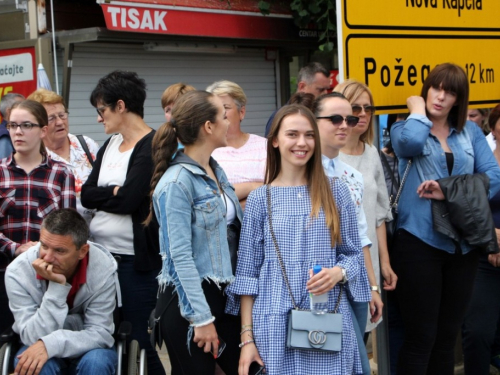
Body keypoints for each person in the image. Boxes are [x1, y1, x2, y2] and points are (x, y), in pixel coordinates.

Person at [227, 104, 365, 375]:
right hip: (272, 323)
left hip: (327, 320)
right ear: (275, 140)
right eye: (292, 134)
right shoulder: (259, 199)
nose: (302, 143)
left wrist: (338, 272)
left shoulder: (337, 191)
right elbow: (247, 275)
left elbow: (354, 254)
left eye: (309, 135)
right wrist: (247, 338)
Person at [391, 63, 500, 375]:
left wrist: (449, 190)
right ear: (427, 89)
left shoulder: (468, 132)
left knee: (446, 338)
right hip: (418, 241)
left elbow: (494, 176)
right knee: (421, 338)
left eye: (450, 92)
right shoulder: (405, 128)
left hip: (463, 245)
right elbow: (409, 145)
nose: (440, 97)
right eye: (435, 88)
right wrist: (415, 108)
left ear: (458, 99)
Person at [146, 90, 242, 374]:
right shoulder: (176, 182)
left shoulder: (214, 169)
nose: (229, 123)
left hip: (223, 296)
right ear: (208, 126)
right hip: (189, 303)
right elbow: (179, 257)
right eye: (224, 116)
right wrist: (200, 318)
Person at [81, 71, 164, 375]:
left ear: (120, 106)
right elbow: (86, 194)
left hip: (134, 264)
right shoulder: (110, 145)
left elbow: (131, 200)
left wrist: (114, 195)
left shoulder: (153, 144)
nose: (99, 119)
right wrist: (114, 192)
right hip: (100, 259)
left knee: (139, 342)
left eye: (101, 110)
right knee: (107, 337)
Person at [5, 208, 118, 375]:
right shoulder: (18, 272)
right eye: (44, 246)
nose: (47, 257)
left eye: (60, 251)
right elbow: (32, 337)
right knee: (34, 365)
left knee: (97, 363)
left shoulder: (103, 268)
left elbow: (100, 333)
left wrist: (51, 344)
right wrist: (57, 288)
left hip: (89, 348)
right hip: (39, 341)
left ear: (82, 251)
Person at [314, 92, 379, 375]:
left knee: (354, 366)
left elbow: (361, 237)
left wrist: (373, 286)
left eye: (350, 119)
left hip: (353, 283)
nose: (344, 125)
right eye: (335, 118)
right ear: (314, 121)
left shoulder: (352, 176)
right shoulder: (298, 173)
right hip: (316, 287)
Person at [0, 99, 76, 335]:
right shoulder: (1, 173)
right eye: (12, 126)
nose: (18, 132)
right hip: (4, 273)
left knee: (41, 343)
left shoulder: (61, 173)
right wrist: (15, 248)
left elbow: (69, 228)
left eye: (26, 125)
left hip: (46, 275)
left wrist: (40, 254)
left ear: (43, 130)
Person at [334, 79, 397, 335]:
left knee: (363, 334)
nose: (362, 114)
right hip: (336, 265)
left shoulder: (372, 153)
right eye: (355, 108)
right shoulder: (327, 155)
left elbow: (379, 215)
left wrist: (385, 263)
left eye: (367, 109)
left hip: (368, 266)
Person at [462, 103, 500, 375]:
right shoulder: (479, 156)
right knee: (476, 333)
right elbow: (464, 203)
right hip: (481, 257)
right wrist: (490, 236)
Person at [27, 89, 99, 224]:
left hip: (98, 235)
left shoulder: (87, 145)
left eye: (62, 115)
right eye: (51, 118)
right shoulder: (34, 158)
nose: (60, 122)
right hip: (59, 237)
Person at [207, 80, 267, 209]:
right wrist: (255, 186)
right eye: (214, 109)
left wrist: (233, 203)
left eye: (226, 108)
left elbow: (276, 190)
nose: (219, 114)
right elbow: (210, 198)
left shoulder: (265, 147)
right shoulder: (206, 151)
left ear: (242, 112)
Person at [264, 62, 331, 136]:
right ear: (302, 86)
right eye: (320, 89)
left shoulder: (325, 115)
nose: (325, 93)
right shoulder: (279, 117)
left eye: (328, 89)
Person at [0, 93, 24, 159]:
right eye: (22, 108)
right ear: (9, 112)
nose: (27, 111)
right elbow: (5, 167)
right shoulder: (4, 136)